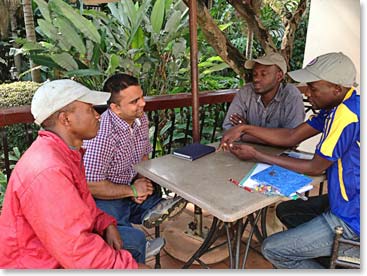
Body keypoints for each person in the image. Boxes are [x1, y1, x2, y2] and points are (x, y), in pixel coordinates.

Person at [219, 52, 360, 268]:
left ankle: (341, 258)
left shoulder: (346, 115)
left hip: (353, 217)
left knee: (273, 249)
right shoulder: (335, 108)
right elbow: (292, 136)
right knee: (287, 210)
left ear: (337, 89)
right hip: (344, 201)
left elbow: (315, 166)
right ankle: (334, 257)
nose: (308, 93)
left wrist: (257, 155)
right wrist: (244, 127)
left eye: (313, 88)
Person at [0, 79, 148, 269]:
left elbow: (83, 204)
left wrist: (106, 224)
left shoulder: (66, 152)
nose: (98, 116)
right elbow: (79, 254)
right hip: (38, 264)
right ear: (65, 119)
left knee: (134, 240)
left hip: (57, 252)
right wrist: (131, 269)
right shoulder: (48, 170)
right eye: (90, 110)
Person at [83, 73, 187, 264]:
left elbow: (143, 155)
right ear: (115, 108)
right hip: (102, 193)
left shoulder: (141, 119)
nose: (143, 104)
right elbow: (90, 184)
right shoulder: (103, 134)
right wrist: (130, 190)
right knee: (119, 227)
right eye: (135, 101)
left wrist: (140, 182)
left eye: (141, 97)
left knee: (148, 191)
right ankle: (138, 245)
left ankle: (148, 208)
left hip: (129, 180)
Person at [222, 52, 305, 143]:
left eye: (263, 74)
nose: (256, 79)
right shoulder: (245, 92)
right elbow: (228, 129)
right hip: (245, 150)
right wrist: (278, 139)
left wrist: (245, 129)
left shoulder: (291, 95)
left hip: (279, 154)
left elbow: (293, 138)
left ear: (279, 76)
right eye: (255, 74)